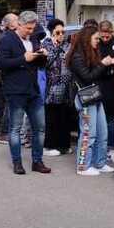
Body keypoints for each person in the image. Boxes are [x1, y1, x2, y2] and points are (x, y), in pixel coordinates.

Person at [0, 11, 51, 175]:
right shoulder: (7, 39)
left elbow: (38, 64)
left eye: (32, 28)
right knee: (15, 128)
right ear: (19, 25)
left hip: (33, 90)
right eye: (28, 28)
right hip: (15, 91)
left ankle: (37, 161)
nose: (30, 31)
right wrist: (23, 59)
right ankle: (17, 162)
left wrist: (42, 56)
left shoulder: (33, 38)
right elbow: (2, 63)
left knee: (40, 128)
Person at [68, 26, 114, 175]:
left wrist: (108, 64)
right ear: (87, 38)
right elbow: (88, 76)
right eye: (96, 38)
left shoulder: (92, 53)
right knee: (89, 133)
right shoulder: (77, 56)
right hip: (85, 97)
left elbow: (98, 74)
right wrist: (103, 64)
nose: (98, 41)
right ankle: (83, 166)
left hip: (95, 95)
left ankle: (99, 163)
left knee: (102, 132)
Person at [42, 19, 74, 156]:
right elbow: (46, 63)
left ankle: (64, 145)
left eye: (63, 32)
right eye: (58, 32)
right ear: (51, 33)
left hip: (67, 86)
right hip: (53, 87)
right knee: (52, 117)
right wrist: (56, 48)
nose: (61, 35)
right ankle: (50, 145)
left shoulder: (68, 45)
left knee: (65, 117)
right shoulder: (46, 44)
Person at [97, 21, 114, 159]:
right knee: (99, 118)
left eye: (107, 36)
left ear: (111, 32)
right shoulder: (96, 43)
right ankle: (100, 146)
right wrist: (105, 62)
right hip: (99, 83)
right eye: (103, 36)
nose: (105, 39)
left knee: (110, 119)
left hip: (112, 84)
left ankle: (111, 147)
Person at [0, 13, 19, 145]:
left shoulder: (8, 36)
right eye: (16, 20)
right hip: (6, 74)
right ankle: (4, 132)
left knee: (8, 104)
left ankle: (5, 130)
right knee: (9, 104)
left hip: (8, 74)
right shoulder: (4, 38)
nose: (18, 21)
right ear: (9, 24)